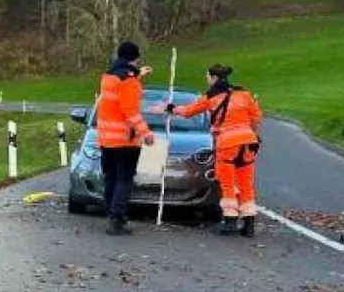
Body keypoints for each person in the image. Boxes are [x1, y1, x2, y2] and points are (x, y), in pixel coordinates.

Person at [151, 63, 263, 237]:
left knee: (227, 184)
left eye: (208, 77)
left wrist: (169, 108)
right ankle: (249, 225)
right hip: (248, 142)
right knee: (246, 183)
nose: (206, 80)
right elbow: (256, 117)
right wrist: (253, 134)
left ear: (214, 78)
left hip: (227, 143)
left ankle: (230, 222)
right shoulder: (244, 94)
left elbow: (189, 111)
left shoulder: (211, 97)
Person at [97, 41, 155, 236]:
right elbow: (129, 110)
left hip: (107, 139)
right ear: (135, 58)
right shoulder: (129, 80)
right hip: (125, 139)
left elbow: (117, 95)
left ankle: (113, 214)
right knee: (124, 180)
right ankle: (117, 218)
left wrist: (138, 75)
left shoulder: (108, 76)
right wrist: (145, 132)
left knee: (111, 178)